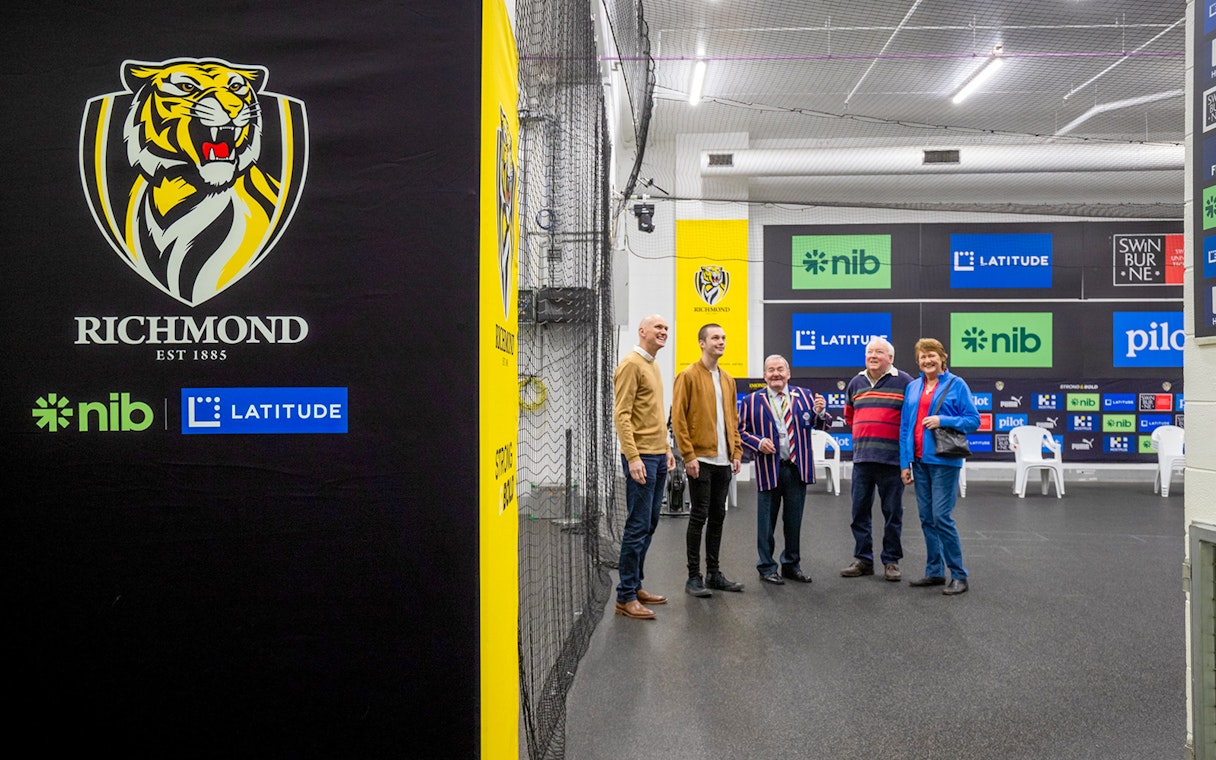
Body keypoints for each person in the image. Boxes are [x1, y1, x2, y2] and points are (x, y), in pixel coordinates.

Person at [738, 354, 829, 585]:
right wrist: (758, 442)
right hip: (769, 467)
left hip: (796, 468)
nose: (776, 374)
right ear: (764, 375)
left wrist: (820, 413)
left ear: (788, 373)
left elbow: (820, 424)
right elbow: (740, 432)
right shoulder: (751, 400)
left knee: (793, 521)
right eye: (771, 370)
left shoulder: (805, 395)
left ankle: (791, 564)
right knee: (766, 522)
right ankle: (766, 567)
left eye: (780, 369)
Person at [899, 338, 980, 596]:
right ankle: (934, 571)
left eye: (932, 355)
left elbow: (973, 420)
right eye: (923, 357)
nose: (927, 360)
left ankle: (959, 575)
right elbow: (905, 427)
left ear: (942, 358)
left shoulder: (957, 384)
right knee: (926, 518)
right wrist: (905, 463)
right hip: (919, 461)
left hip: (944, 461)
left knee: (941, 517)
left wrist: (942, 419)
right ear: (918, 361)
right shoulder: (913, 387)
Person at [671, 324, 745, 598]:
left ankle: (714, 573)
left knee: (718, 516)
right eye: (715, 337)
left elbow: (733, 419)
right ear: (702, 343)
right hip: (700, 460)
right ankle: (694, 577)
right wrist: (688, 456)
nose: (721, 341)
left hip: (724, 461)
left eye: (723, 337)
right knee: (698, 515)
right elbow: (678, 419)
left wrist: (736, 452)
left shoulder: (728, 379)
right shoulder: (688, 375)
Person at [612, 314, 676, 620]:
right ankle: (625, 597)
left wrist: (666, 448)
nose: (664, 331)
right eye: (658, 327)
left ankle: (635, 585)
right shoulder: (631, 364)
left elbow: (655, 415)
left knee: (649, 524)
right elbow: (622, 415)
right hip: (641, 458)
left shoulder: (653, 365)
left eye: (666, 328)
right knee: (637, 526)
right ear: (642, 331)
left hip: (657, 455)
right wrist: (633, 456)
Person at [841, 338, 914, 582]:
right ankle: (863, 560)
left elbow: (910, 420)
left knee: (892, 513)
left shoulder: (905, 382)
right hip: (863, 459)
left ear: (890, 358)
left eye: (879, 352)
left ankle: (891, 561)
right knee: (859, 512)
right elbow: (850, 416)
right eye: (869, 352)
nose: (873, 356)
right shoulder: (856, 382)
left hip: (892, 460)